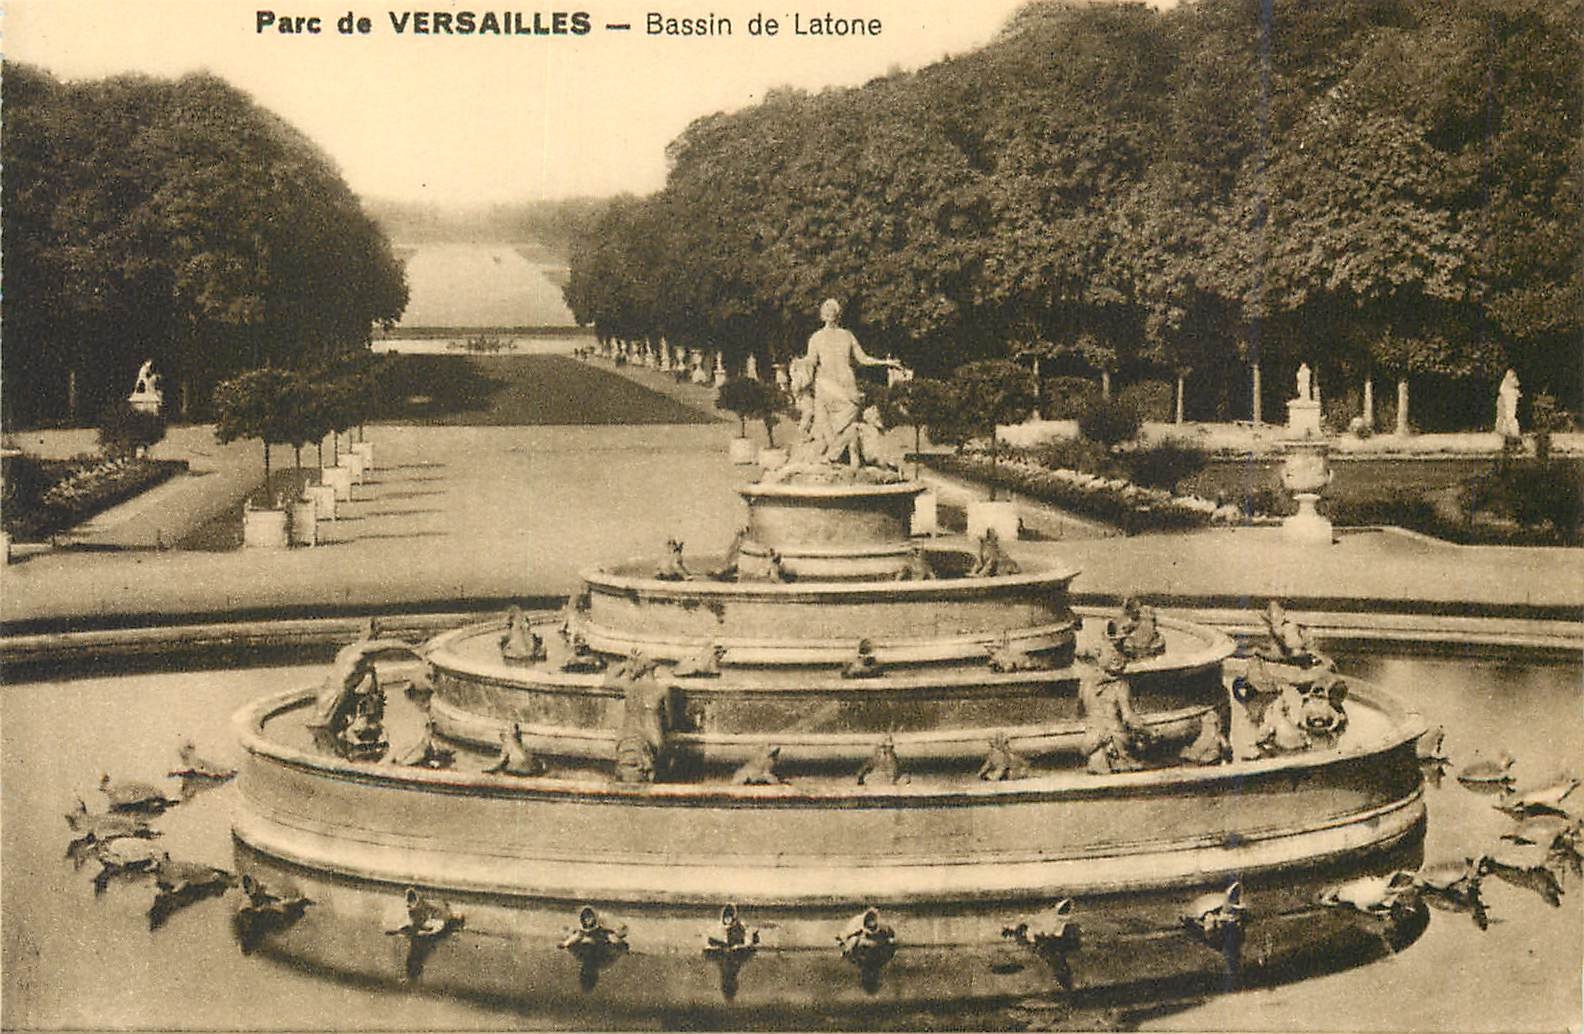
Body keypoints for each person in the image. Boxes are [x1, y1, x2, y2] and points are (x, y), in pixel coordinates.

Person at [802, 299, 901, 462]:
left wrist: (885, 362)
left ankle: (834, 452)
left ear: (837, 314)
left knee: (852, 410)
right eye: (825, 309)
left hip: (847, 383)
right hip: (826, 383)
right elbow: (811, 361)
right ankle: (834, 451)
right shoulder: (816, 338)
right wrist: (799, 365)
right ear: (822, 315)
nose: (828, 313)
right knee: (822, 417)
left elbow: (862, 358)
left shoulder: (846, 335)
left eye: (832, 310)